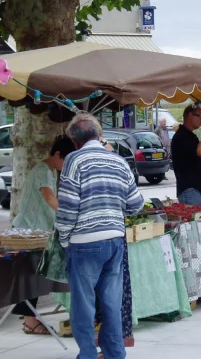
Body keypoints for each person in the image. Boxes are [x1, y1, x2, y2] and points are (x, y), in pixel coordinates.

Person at [56, 113, 144, 359]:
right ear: (99, 135)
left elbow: (68, 206)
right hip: (115, 241)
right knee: (111, 304)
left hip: (84, 242)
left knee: (83, 305)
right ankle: (115, 354)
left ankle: (87, 354)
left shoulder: (74, 160)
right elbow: (136, 204)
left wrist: (64, 239)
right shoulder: (118, 161)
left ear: (74, 141)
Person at [11, 135, 76, 335]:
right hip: (28, 231)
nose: (65, 167)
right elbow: (49, 198)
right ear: (57, 154)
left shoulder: (50, 171)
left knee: (34, 276)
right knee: (32, 277)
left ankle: (30, 319)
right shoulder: (42, 171)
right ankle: (30, 320)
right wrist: (69, 216)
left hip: (38, 230)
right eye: (65, 161)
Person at [171, 104, 201, 205]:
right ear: (189, 115)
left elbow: (191, 160)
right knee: (195, 219)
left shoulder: (189, 136)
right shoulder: (182, 136)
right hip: (190, 190)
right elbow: (200, 151)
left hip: (195, 189)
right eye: (199, 116)